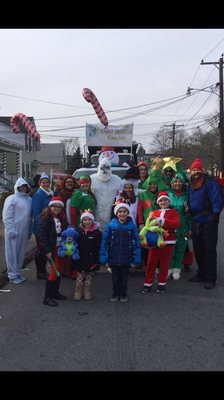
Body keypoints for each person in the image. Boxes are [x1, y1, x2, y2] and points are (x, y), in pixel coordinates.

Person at [188, 158, 223, 289]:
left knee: (209, 250)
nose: (196, 172)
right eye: (193, 170)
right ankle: (201, 273)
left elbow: (216, 198)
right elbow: (190, 199)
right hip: (195, 220)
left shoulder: (210, 183)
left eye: (198, 169)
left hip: (208, 220)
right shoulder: (191, 183)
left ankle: (210, 278)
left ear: (202, 170)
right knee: (198, 249)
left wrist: (216, 213)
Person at [100, 202, 141, 302]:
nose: (122, 214)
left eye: (124, 212)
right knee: (115, 278)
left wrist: (136, 257)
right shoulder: (111, 225)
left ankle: (123, 294)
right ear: (116, 213)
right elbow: (105, 241)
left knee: (124, 278)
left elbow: (137, 242)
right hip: (113, 256)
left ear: (128, 213)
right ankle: (115, 293)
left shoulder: (132, 226)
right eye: (120, 212)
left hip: (126, 256)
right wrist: (103, 256)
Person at [141, 191, 180, 293]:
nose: (163, 202)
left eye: (165, 200)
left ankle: (162, 284)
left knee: (164, 264)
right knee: (151, 263)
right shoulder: (155, 212)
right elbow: (148, 225)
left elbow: (175, 224)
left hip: (168, 241)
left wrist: (163, 221)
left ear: (169, 201)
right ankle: (148, 284)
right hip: (154, 242)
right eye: (161, 200)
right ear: (158, 202)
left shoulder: (173, 212)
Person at [36, 196, 68, 306]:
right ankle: (47, 297)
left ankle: (55, 292)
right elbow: (41, 236)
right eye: (55, 206)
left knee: (59, 270)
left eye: (59, 207)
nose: (57, 209)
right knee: (55, 271)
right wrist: (47, 251)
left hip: (60, 248)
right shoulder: (45, 218)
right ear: (50, 206)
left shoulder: (62, 218)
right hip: (51, 249)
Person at [2, 177, 32, 284]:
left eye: (25, 186)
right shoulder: (11, 199)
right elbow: (7, 216)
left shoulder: (29, 200)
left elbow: (29, 217)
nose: (23, 188)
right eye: (22, 186)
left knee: (21, 253)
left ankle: (18, 272)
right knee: (11, 253)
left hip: (24, 231)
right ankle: (12, 275)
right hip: (13, 231)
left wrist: (29, 231)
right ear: (18, 187)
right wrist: (11, 229)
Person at [54, 174, 80, 278]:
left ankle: (73, 270)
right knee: (64, 248)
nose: (69, 184)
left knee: (74, 248)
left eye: (71, 182)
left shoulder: (77, 194)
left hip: (75, 224)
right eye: (67, 182)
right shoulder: (61, 194)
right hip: (63, 224)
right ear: (64, 184)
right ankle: (63, 270)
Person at [73, 210, 102, 301]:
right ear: (82, 221)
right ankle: (78, 291)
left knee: (88, 275)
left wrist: (97, 260)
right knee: (80, 275)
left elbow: (98, 247)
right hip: (80, 257)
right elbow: (74, 244)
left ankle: (87, 291)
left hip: (90, 258)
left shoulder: (97, 233)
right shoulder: (78, 232)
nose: (87, 222)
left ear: (93, 221)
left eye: (89, 220)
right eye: (85, 220)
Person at [168, 173, 192, 280]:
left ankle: (177, 269)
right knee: (170, 249)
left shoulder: (187, 194)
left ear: (183, 183)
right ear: (172, 183)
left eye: (179, 182)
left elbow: (190, 213)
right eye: (175, 181)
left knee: (180, 248)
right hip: (170, 226)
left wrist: (190, 227)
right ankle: (169, 268)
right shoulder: (168, 194)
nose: (177, 183)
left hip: (183, 225)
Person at [32, 172, 53, 280]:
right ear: (40, 183)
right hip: (41, 227)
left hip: (48, 227)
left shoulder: (49, 193)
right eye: (44, 182)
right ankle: (40, 272)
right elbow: (36, 213)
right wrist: (42, 227)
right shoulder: (38, 195)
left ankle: (43, 271)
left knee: (44, 249)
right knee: (40, 250)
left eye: (48, 182)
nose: (46, 184)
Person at [91, 157, 122, 232]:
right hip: (95, 215)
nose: (104, 170)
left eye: (107, 167)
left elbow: (125, 191)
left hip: (111, 215)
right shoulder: (92, 179)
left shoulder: (117, 180)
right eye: (102, 167)